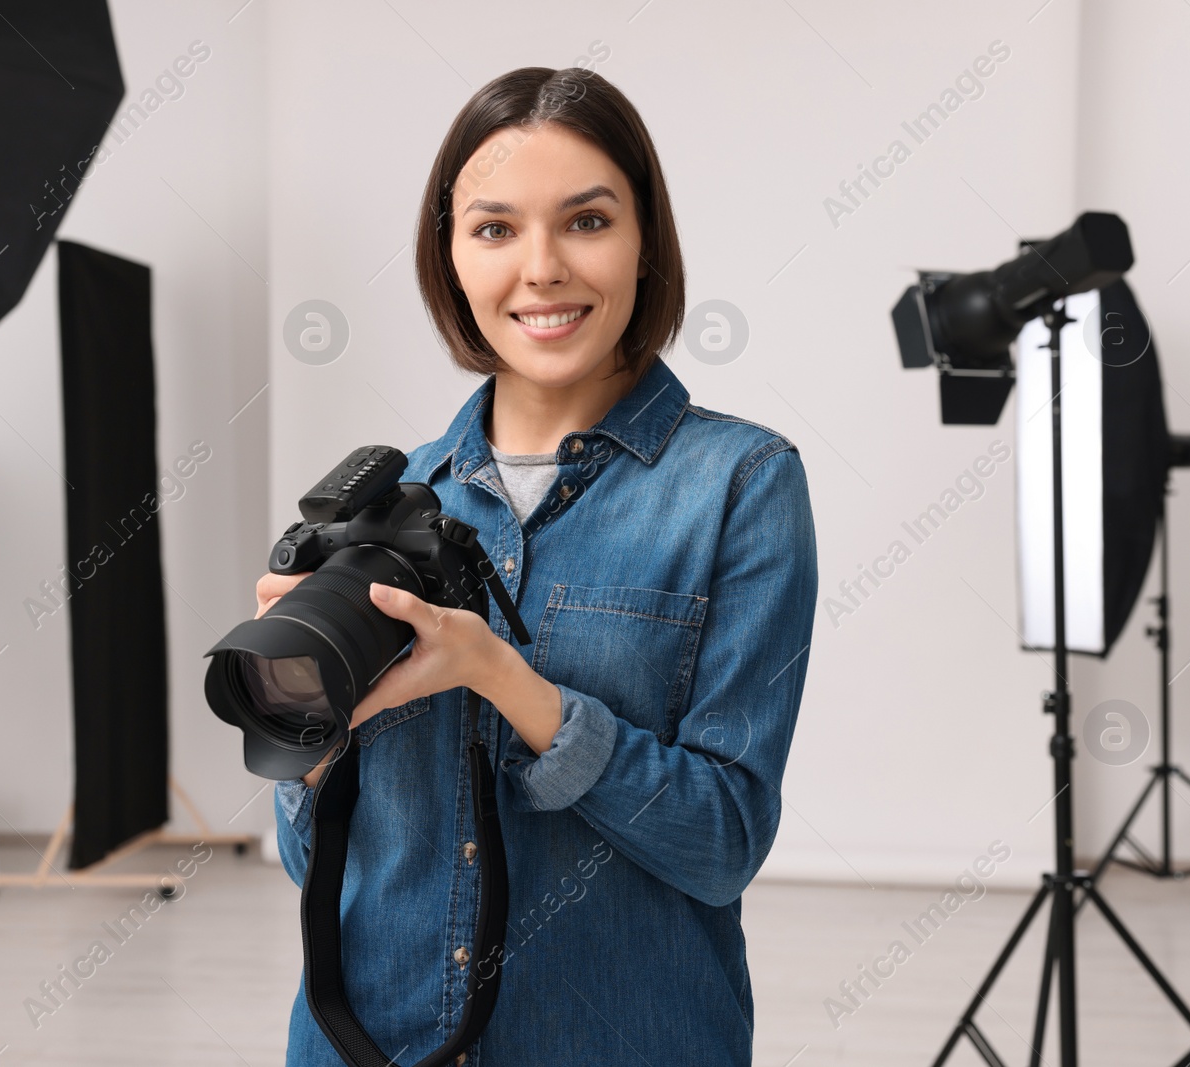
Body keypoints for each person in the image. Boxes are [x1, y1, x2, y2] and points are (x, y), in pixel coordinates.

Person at [258, 66, 817, 1066]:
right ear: (450, 258)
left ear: (646, 243)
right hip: (364, 1036)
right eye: (494, 228)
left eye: (587, 221)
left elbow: (722, 839)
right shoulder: (381, 506)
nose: (542, 268)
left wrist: (506, 681)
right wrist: (305, 724)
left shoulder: (741, 482)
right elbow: (318, 861)